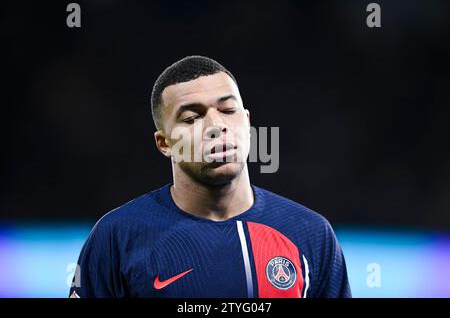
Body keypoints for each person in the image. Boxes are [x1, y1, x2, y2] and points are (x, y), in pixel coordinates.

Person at [69, 55, 351, 298]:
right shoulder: (117, 236)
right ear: (164, 143)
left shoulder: (311, 234)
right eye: (192, 118)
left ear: (248, 122)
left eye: (228, 110)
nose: (216, 126)